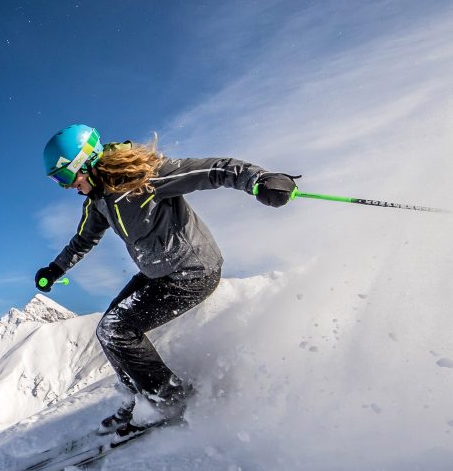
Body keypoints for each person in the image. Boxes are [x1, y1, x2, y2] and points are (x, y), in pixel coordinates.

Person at [35, 124, 297, 438]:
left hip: (192, 271)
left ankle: (168, 400)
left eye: (65, 177)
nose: (66, 187)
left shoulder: (143, 176)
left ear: (86, 162)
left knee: (117, 329)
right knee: (108, 330)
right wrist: (54, 270)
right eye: (57, 181)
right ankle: (144, 396)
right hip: (158, 271)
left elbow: (212, 170)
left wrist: (260, 179)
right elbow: (82, 241)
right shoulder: (98, 201)